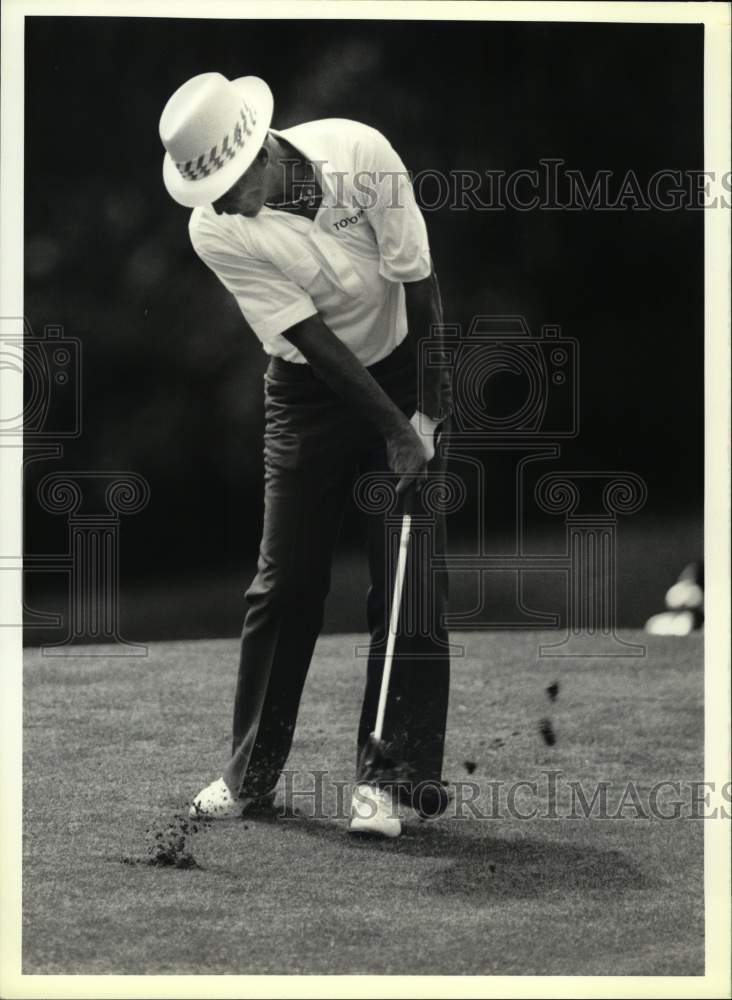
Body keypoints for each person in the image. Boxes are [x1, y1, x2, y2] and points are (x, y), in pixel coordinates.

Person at [158, 72, 452, 837]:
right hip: (305, 389)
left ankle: (390, 783)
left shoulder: (361, 154)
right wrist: (391, 431)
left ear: (262, 153)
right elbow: (314, 343)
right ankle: (249, 775)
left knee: (408, 578)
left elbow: (423, 291)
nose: (216, 205)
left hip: (400, 362)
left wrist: (426, 411)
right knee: (285, 580)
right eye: (205, 192)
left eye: (224, 185)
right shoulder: (214, 228)